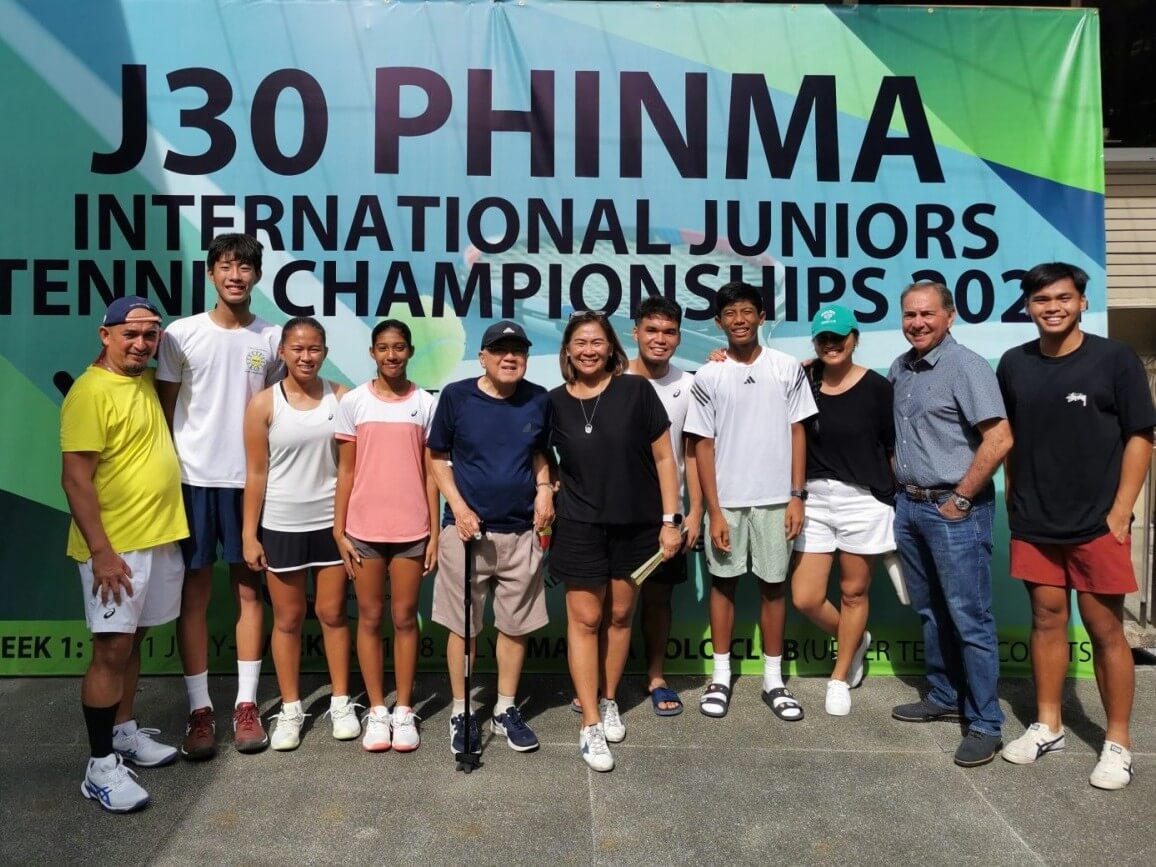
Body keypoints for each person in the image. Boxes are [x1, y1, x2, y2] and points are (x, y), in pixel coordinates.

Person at [996, 263, 1155, 789]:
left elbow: (1141, 437)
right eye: (1041, 300)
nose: (1053, 307)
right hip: (1036, 520)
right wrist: (1017, 499)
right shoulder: (1014, 364)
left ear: (1083, 302)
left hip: (1096, 524)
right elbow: (1010, 438)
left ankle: (1117, 742)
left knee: (1105, 627)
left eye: (1063, 298)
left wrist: (1120, 509)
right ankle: (1048, 724)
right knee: (1045, 619)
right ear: (1027, 307)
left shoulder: (1115, 359)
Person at [156, 233, 283, 759]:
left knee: (251, 594)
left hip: (252, 485)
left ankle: (247, 707)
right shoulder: (180, 335)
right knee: (196, 594)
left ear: (256, 276)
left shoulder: (272, 339)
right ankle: (200, 710)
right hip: (191, 481)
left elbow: (285, 405)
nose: (236, 276)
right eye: (227, 267)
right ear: (210, 273)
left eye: (246, 268)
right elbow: (162, 415)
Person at [61, 296, 189, 812]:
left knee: (132, 642)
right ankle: (99, 768)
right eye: (130, 334)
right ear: (105, 334)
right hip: (116, 549)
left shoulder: (138, 378)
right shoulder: (90, 392)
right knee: (110, 651)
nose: (141, 343)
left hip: (157, 536)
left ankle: (123, 732)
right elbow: (75, 479)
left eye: (150, 334)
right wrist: (103, 554)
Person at [549, 310, 683, 772]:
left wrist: (671, 519)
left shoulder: (635, 390)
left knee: (621, 615)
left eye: (597, 342)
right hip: (579, 526)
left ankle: (609, 698)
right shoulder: (553, 402)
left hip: (639, 526)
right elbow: (537, 458)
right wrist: (545, 489)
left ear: (611, 348)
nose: (589, 350)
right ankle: (589, 722)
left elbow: (666, 458)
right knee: (586, 619)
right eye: (580, 342)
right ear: (567, 350)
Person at [888, 281, 1013, 768]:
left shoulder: (967, 366)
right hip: (912, 507)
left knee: (969, 618)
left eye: (927, 314)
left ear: (949, 316)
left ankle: (985, 723)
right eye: (909, 315)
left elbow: (999, 439)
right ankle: (942, 695)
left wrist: (961, 498)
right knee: (930, 611)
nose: (917, 323)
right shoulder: (902, 368)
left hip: (954, 511)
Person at [684, 282, 816, 722]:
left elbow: (798, 432)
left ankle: (773, 681)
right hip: (728, 505)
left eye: (746, 311)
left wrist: (796, 496)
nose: (739, 319)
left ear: (762, 317)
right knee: (723, 587)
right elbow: (702, 444)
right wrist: (714, 510)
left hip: (778, 501)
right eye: (730, 313)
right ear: (718, 322)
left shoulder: (787, 368)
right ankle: (720, 676)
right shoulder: (709, 374)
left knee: (773, 588)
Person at [427, 320, 555, 756]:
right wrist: (459, 509)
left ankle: (503, 709)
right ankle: (462, 711)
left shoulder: (538, 399)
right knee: (463, 627)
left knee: (516, 626)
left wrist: (543, 489)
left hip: (522, 532)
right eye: (499, 350)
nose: (509, 357)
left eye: (517, 350)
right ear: (482, 356)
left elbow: (541, 453)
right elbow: (438, 459)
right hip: (466, 533)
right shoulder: (457, 396)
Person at [241, 317, 359, 751]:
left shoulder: (342, 398)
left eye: (314, 349)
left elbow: (350, 469)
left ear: (324, 352)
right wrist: (249, 536)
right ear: (283, 353)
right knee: (287, 620)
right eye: (297, 348)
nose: (305, 356)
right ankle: (291, 708)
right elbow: (255, 473)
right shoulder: (263, 404)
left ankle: (342, 702)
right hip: (281, 526)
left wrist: (345, 528)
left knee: (332, 615)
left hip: (330, 526)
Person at [334, 319, 439, 753]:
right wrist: (339, 530)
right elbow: (345, 470)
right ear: (372, 353)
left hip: (413, 530)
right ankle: (377, 709)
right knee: (371, 619)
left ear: (410, 352)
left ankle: (404, 710)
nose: (391, 355)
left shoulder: (426, 404)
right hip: (363, 532)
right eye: (383, 348)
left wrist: (433, 531)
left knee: (404, 618)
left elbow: (433, 474)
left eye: (398, 348)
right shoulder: (355, 402)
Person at [791, 305, 896, 716]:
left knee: (853, 592)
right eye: (823, 339)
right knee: (805, 597)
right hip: (812, 498)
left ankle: (839, 676)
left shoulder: (877, 387)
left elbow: (891, 447)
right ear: (815, 343)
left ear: (855, 338)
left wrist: (895, 498)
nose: (831, 345)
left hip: (862, 500)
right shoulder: (803, 379)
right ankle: (855, 641)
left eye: (839, 337)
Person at [627, 298, 703, 716]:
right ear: (635, 332)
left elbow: (694, 454)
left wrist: (694, 514)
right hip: (617, 515)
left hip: (668, 518)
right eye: (651, 330)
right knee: (610, 605)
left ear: (679, 337)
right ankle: (604, 683)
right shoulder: (611, 379)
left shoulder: (690, 385)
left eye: (669, 332)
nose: (660, 339)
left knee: (658, 600)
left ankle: (655, 676)